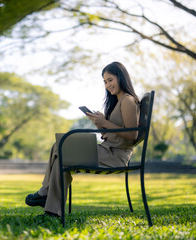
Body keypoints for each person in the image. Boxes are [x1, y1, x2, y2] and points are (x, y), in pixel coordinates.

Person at [25, 61, 140, 218]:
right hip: (107, 150)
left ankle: (45, 196)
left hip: (116, 156)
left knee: (62, 148)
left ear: (121, 77)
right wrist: (100, 125)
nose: (107, 85)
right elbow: (113, 135)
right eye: (105, 82)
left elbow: (132, 135)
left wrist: (105, 122)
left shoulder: (128, 100)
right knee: (60, 149)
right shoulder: (118, 102)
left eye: (110, 80)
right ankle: (51, 209)